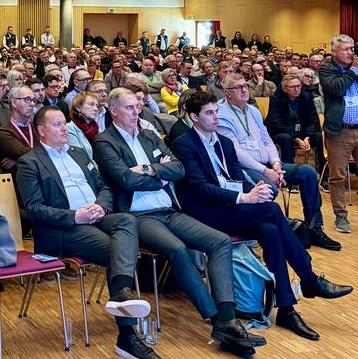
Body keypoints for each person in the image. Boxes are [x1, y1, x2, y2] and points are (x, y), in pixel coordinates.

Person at [94, 88, 266, 355]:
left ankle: (228, 316)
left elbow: (178, 169)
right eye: (129, 108)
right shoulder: (104, 142)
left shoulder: (149, 135)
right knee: (177, 250)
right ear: (113, 111)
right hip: (139, 216)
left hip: (169, 209)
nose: (136, 111)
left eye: (137, 107)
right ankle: (217, 321)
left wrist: (150, 170)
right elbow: (124, 179)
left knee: (219, 242)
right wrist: (160, 175)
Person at [171, 91, 353, 342]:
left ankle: (287, 308)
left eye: (216, 111)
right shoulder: (183, 144)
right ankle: (309, 278)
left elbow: (236, 175)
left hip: (230, 208)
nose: (216, 117)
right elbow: (200, 187)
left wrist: (253, 191)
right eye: (209, 113)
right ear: (194, 117)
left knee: (271, 229)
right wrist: (244, 198)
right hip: (205, 213)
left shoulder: (224, 142)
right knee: (272, 210)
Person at [16, 106, 156, 359]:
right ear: (41, 131)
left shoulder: (79, 153)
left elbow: (103, 186)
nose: (64, 129)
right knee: (119, 249)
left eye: (64, 123)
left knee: (126, 220)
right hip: (65, 229)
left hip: (95, 217)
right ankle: (127, 337)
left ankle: (122, 294)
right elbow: (34, 210)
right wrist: (74, 216)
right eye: (57, 124)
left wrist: (101, 206)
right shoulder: (29, 162)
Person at [217, 73, 339, 251]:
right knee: (270, 189)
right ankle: (273, 232)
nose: (245, 90)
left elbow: (267, 140)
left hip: (267, 165)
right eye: (239, 87)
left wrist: (276, 164)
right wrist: (266, 172)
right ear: (228, 92)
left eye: (245, 86)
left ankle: (314, 228)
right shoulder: (222, 114)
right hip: (243, 169)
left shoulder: (252, 110)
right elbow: (236, 152)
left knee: (307, 173)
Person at [319, 34, 358, 233]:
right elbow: (337, 88)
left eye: (352, 48)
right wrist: (353, 71)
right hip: (339, 131)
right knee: (338, 176)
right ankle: (341, 216)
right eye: (346, 49)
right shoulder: (327, 68)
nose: (351, 52)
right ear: (334, 52)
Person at [266, 75, 328, 186]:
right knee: (286, 138)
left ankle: (324, 177)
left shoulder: (306, 96)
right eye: (293, 87)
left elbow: (313, 119)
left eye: (298, 86)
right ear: (285, 88)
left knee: (319, 137)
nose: (296, 89)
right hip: (282, 132)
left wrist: (307, 137)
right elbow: (276, 123)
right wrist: (297, 139)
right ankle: (290, 178)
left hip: (303, 133)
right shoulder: (276, 98)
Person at [67, 91, 99, 160]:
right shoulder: (69, 128)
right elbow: (79, 157)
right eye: (91, 104)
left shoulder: (96, 129)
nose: (96, 109)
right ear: (78, 107)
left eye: (96, 105)